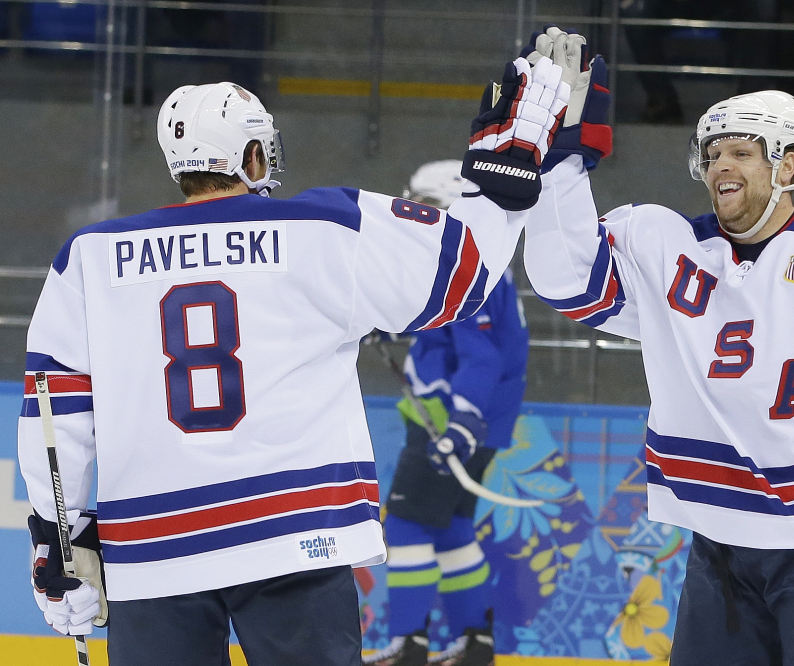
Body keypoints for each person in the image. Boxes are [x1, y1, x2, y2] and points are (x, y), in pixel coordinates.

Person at [18, 62, 569, 665]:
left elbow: (55, 418)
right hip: (295, 533)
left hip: (155, 552)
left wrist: (56, 535)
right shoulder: (319, 227)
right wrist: (500, 185)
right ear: (253, 157)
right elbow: (465, 275)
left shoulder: (89, 260)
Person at [521, 28, 794, 665]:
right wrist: (560, 167)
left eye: (742, 151)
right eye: (712, 154)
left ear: (788, 165)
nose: (720, 166)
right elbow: (565, 281)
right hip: (720, 549)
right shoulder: (671, 249)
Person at [365, 160, 530, 666]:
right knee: (452, 529)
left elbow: (480, 357)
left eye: (422, 205)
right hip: (481, 423)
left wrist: (460, 423)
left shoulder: (466, 270)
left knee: (410, 523)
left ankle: (408, 642)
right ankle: (474, 641)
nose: (412, 215)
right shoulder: (475, 266)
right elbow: (450, 336)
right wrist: (397, 328)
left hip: (450, 422)